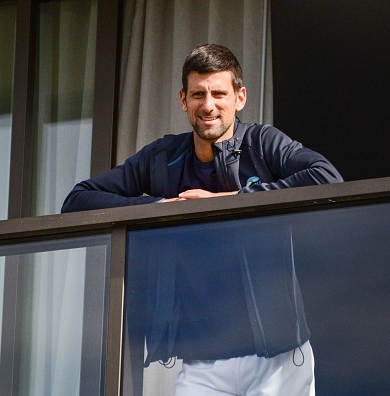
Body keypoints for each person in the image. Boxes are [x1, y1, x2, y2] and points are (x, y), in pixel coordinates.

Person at [62, 44, 342, 395]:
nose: (208, 105)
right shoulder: (163, 157)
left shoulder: (261, 143)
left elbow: (326, 177)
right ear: (183, 99)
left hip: (279, 358)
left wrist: (229, 201)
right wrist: (162, 206)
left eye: (218, 93)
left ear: (239, 98)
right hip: (202, 363)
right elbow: (77, 200)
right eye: (198, 94)